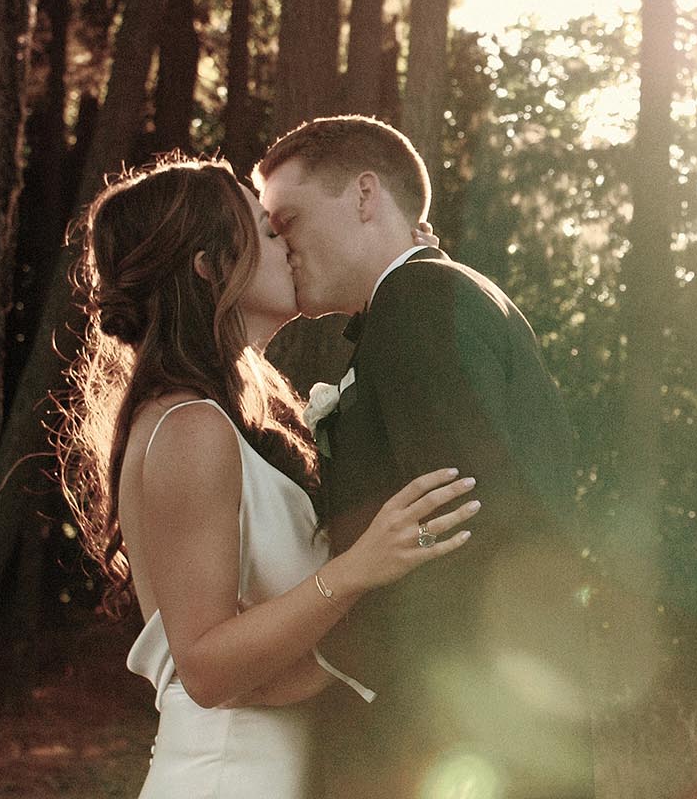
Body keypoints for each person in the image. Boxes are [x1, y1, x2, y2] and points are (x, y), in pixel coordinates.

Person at [56, 156, 477, 798]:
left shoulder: (215, 420)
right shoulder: (191, 428)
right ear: (209, 266)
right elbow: (205, 670)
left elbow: (281, 663)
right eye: (266, 229)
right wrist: (358, 570)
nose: (288, 244)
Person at [255, 115, 594, 798]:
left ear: (364, 195)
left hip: (461, 738)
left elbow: (465, 529)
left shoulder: (418, 303)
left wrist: (331, 666)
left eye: (287, 220)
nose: (280, 246)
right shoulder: (434, 297)